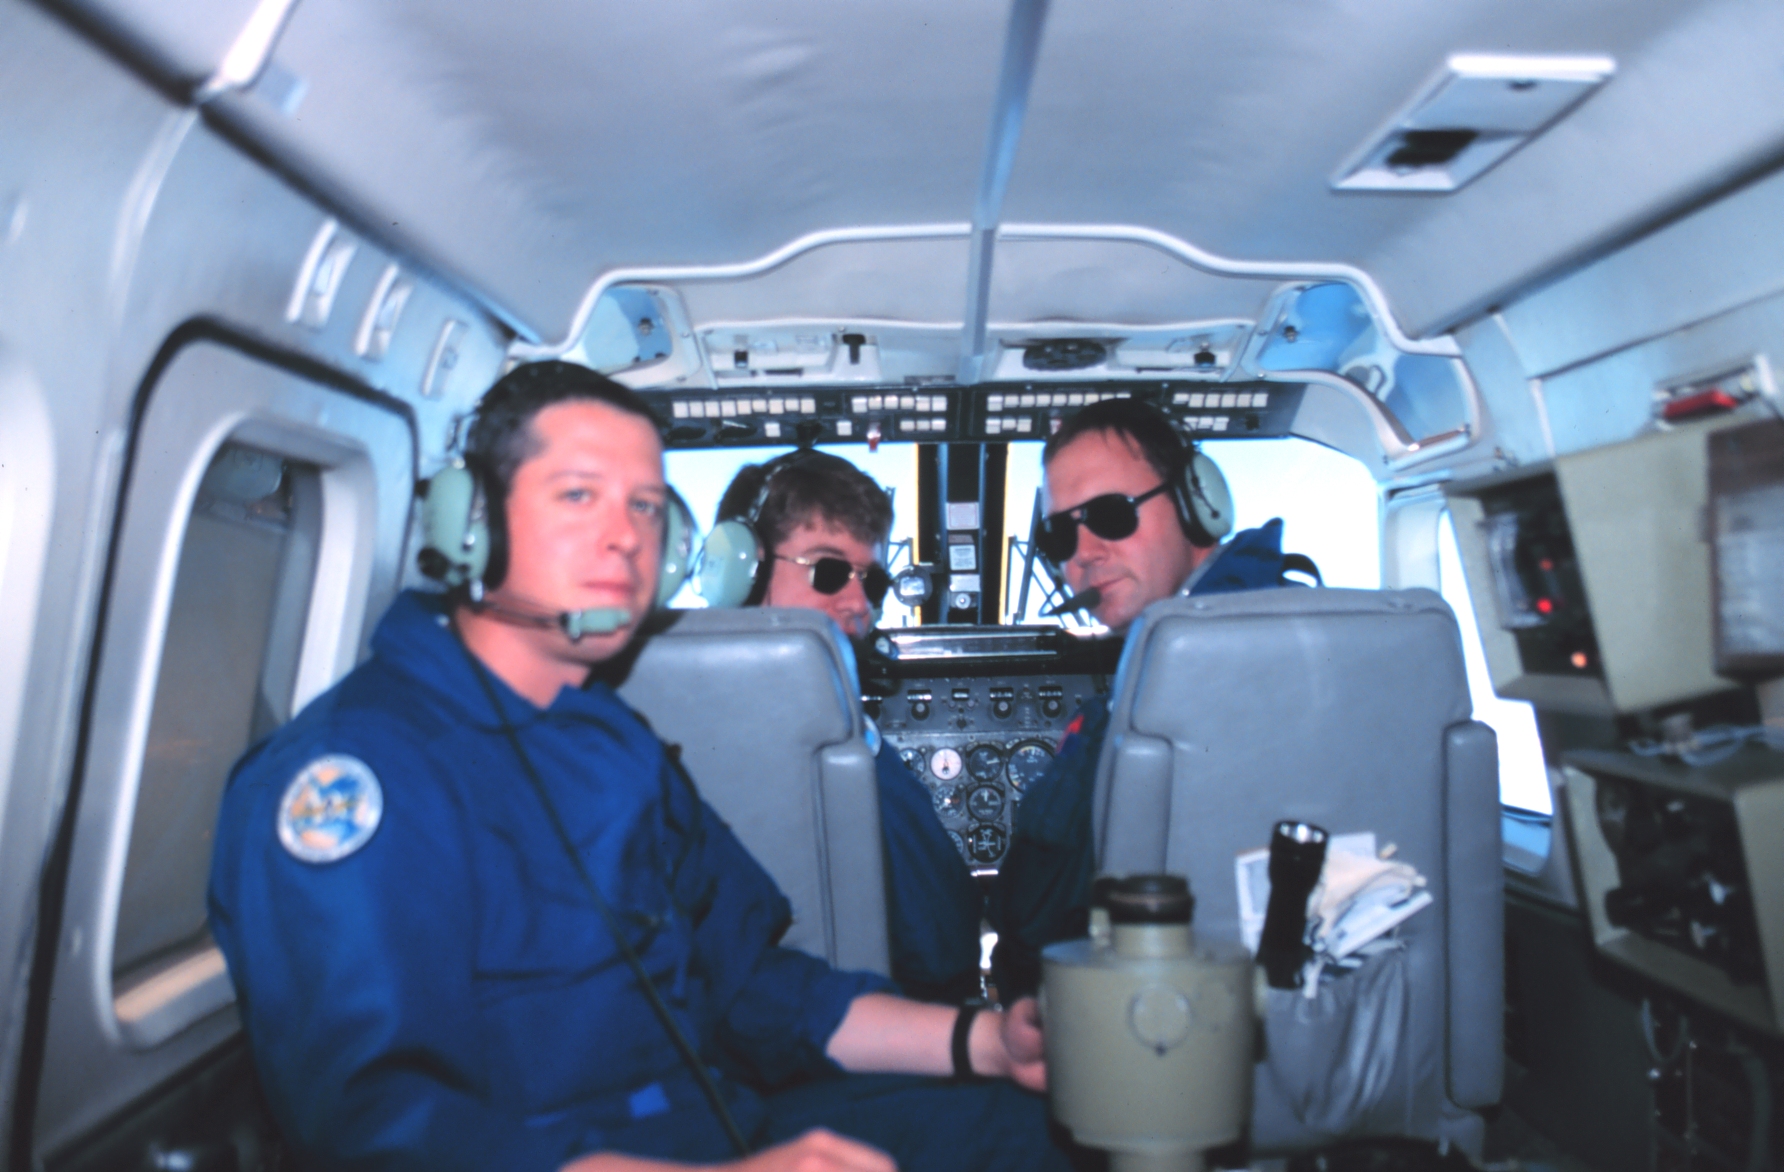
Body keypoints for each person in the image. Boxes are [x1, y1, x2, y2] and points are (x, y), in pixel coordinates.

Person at [208, 361, 1076, 1171]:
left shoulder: (612, 744)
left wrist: (985, 1045)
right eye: (579, 496)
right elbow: (375, 1132)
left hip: (721, 1124)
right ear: (471, 522)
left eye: (648, 508)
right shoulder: (351, 776)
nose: (626, 539)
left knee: (1055, 1131)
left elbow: (752, 988)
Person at [988, 397, 1315, 1002]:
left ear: (1197, 504)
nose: (1082, 553)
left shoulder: (1161, 684)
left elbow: (1038, 925)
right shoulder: (1313, 635)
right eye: (1062, 531)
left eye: (1110, 514)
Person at [714, 453, 984, 1004]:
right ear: (747, 568)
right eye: (829, 571)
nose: (860, 604)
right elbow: (939, 948)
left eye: (873, 581)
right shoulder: (847, 743)